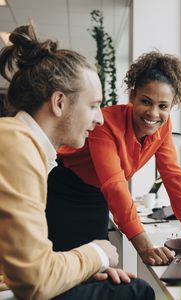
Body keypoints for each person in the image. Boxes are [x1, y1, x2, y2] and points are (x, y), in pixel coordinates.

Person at [0, 24, 154, 300]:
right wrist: (97, 253)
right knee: (136, 292)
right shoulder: (17, 146)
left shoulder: (23, 143)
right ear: (59, 103)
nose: (100, 119)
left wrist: (80, 269)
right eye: (93, 105)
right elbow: (34, 281)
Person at [46, 51, 181, 266]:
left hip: (98, 196)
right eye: (146, 101)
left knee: (99, 265)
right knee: (64, 264)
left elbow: (173, 176)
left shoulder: (163, 129)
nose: (153, 113)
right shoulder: (106, 122)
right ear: (133, 96)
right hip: (64, 189)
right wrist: (145, 246)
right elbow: (115, 184)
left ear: (172, 105)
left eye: (163, 106)